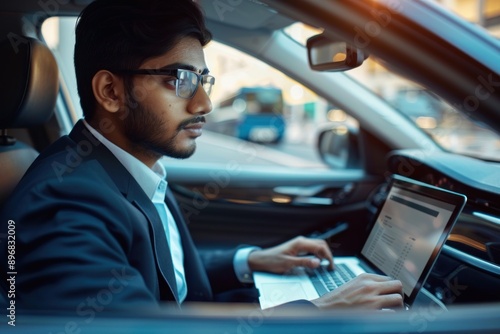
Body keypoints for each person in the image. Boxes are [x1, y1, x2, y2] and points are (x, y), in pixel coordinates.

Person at [0, 0, 403, 314]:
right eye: (181, 80)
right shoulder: (63, 203)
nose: (205, 102)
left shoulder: (125, 168)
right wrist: (318, 313)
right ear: (110, 91)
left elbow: (158, 275)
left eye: (203, 79)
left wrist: (252, 260)